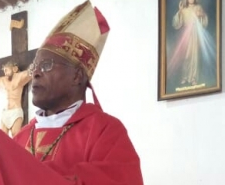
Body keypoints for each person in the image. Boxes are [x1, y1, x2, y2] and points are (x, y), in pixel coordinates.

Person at [13, 1, 143, 184]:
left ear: (77, 76)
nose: (35, 72)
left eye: (46, 65)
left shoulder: (105, 131)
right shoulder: (20, 136)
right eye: (34, 66)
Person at [172, 0, 208, 86]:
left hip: (195, 35)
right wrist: (180, 12)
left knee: (194, 56)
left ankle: (193, 78)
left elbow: (204, 21)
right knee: (186, 56)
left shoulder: (198, 7)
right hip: (185, 35)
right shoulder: (183, 9)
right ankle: (185, 76)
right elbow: (177, 24)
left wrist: (201, 15)